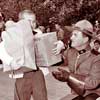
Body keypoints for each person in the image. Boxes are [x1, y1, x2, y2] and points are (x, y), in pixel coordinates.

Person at [1, 10, 48, 100]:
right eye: (28, 21)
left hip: (37, 73)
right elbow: (2, 48)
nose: (31, 24)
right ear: (20, 22)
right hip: (22, 73)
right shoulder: (14, 34)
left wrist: (60, 44)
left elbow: (49, 43)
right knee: (21, 97)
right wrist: (10, 61)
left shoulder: (38, 34)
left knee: (41, 97)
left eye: (33, 21)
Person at [52, 19, 100, 100]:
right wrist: (60, 44)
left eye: (75, 35)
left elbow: (93, 83)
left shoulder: (96, 57)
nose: (71, 37)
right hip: (76, 93)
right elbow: (53, 58)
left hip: (93, 94)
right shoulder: (71, 52)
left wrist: (69, 76)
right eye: (72, 35)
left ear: (85, 39)